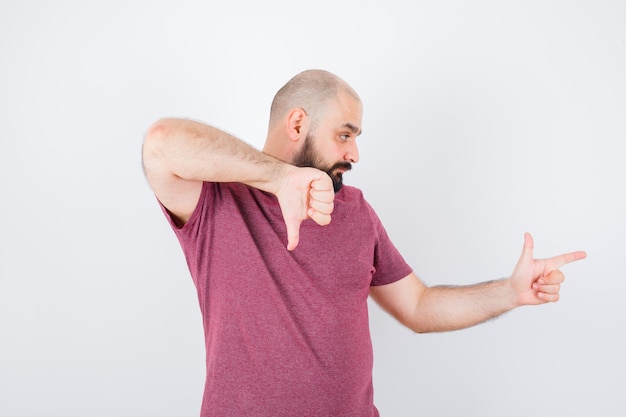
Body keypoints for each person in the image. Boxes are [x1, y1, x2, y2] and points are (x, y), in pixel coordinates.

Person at [142, 69, 586, 416]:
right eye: (345, 134)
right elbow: (161, 144)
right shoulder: (217, 201)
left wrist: (509, 292)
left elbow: (418, 307)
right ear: (297, 123)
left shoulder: (355, 211)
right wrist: (281, 178)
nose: (354, 154)